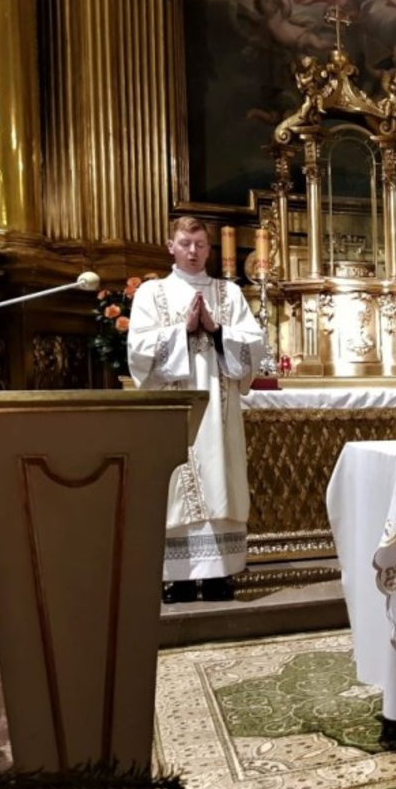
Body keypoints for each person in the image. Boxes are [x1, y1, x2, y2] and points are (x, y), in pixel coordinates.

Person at [128, 217, 268, 603]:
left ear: (209, 249)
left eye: (200, 244)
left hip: (220, 414)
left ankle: (220, 574)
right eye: (185, 243)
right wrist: (183, 331)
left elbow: (254, 347)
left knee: (221, 478)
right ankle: (181, 578)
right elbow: (137, 352)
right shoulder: (152, 293)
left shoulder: (229, 294)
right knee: (178, 483)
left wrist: (218, 331)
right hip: (176, 410)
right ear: (170, 246)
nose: (193, 251)